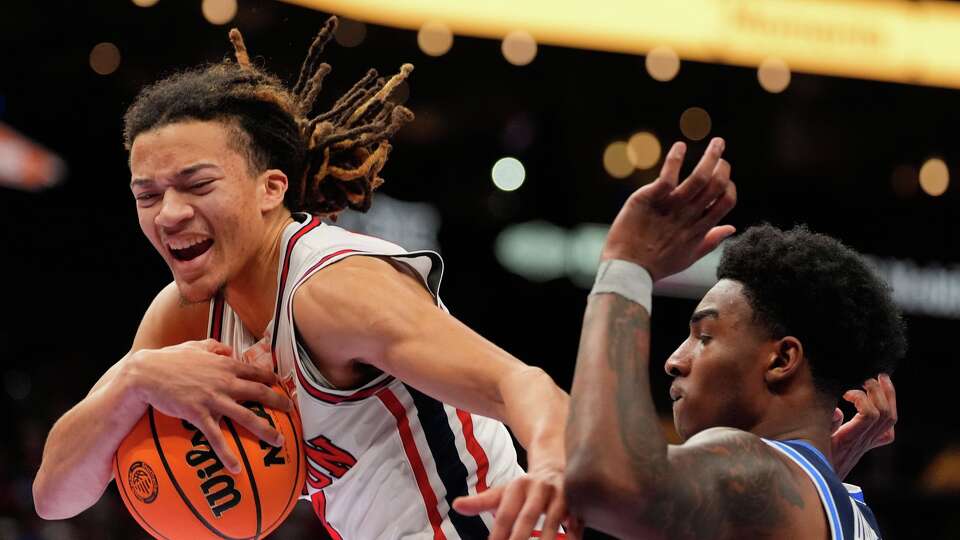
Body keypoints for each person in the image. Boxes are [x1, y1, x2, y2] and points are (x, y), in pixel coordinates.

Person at [32, 19, 570, 539]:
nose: (168, 213)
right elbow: (55, 498)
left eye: (196, 184)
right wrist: (132, 379)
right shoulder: (186, 314)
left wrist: (550, 466)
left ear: (271, 189)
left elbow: (520, 384)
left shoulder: (332, 289)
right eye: (147, 195)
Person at [563, 137, 904, 539]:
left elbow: (605, 480)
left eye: (704, 336)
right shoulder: (849, 510)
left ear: (781, 360)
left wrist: (626, 265)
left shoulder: (755, 467)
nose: (674, 361)